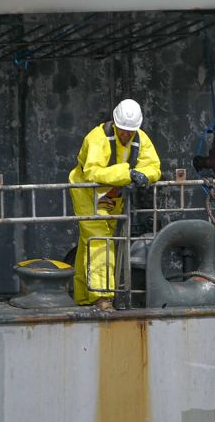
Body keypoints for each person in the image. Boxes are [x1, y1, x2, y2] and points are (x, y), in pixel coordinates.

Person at [69, 99, 161, 310]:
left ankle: (84, 297)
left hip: (111, 194)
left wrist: (143, 175)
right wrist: (127, 174)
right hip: (87, 192)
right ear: (115, 123)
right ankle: (103, 298)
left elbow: (153, 166)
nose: (126, 135)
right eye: (123, 130)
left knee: (88, 242)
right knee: (100, 240)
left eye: (131, 131)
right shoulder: (97, 138)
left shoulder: (140, 139)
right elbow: (92, 172)